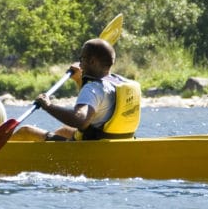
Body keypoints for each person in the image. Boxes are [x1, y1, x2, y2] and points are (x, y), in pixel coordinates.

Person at [12, 37, 142, 142]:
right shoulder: (118, 82)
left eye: (82, 59)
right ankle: (46, 151)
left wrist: (48, 106)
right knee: (63, 131)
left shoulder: (92, 89)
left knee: (26, 131)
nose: (80, 64)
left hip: (92, 148)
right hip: (116, 140)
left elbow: (79, 120)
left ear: (92, 61)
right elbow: (98, 104)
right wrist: (78, 80)